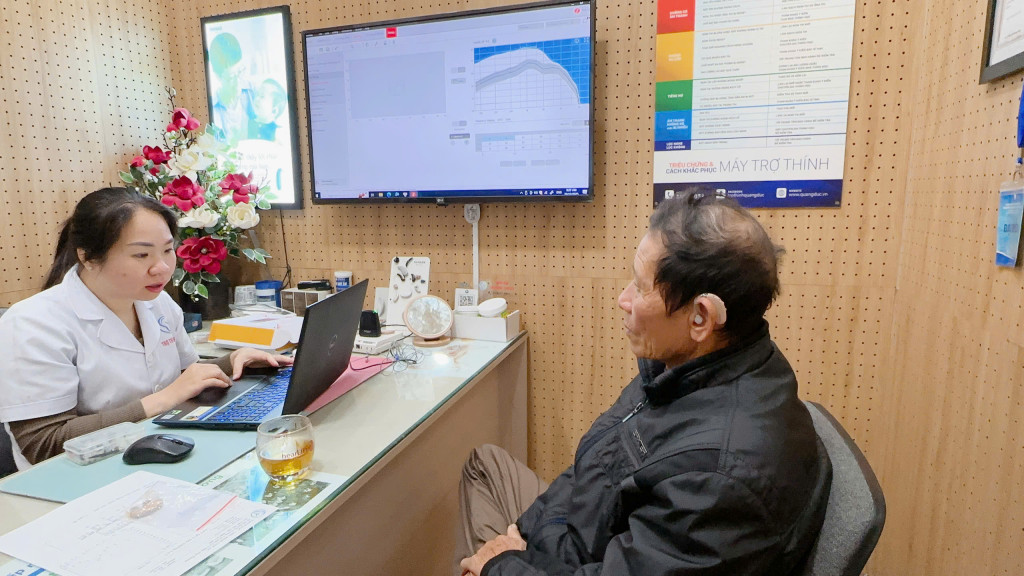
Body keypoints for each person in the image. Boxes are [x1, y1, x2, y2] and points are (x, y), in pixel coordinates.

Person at [457, 189, 832, 575]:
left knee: (477, 564)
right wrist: (523, 535)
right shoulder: (687, 368)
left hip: (588, 559)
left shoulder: (719, 479)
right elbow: (595, 466)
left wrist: (502, 564)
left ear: (701, 317)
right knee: (483, 464)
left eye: (639, 287)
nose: (623, 299)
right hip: (574, 537)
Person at [0, 188, 292, 469]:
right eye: (142, 255)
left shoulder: (156, 301)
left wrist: (232, 362)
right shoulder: (33, 324)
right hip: (78, 479)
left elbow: (184, 377)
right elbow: (44, 444)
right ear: (87, 257)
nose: (162, 267)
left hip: (157, 453)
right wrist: (163, 400)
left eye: (167, 250)